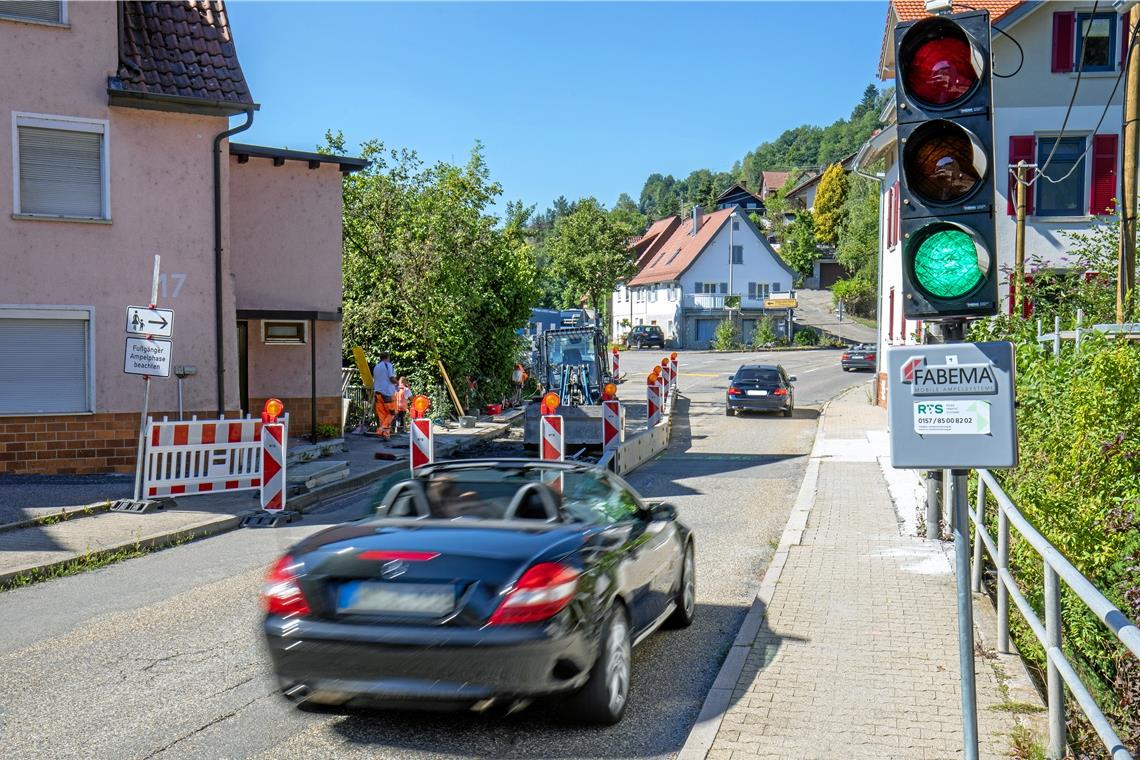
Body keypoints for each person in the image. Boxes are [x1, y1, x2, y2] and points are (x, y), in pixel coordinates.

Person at [372, 351, 397, 440]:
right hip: (387, 393)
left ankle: (386, 435)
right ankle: (381, 429)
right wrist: (397, 383)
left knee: (383, 415)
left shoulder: (376, 367)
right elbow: (391, 378)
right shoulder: (388, 365)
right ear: (388, 357)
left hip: (377, 394)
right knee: (392, 412)